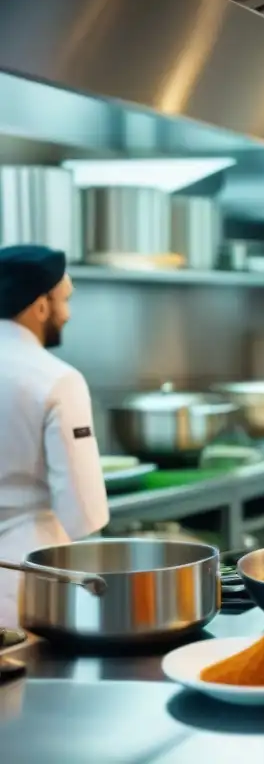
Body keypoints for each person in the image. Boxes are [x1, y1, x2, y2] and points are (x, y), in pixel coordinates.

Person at [0, 245, 109, 628]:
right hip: (26, 577)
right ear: (40, 305)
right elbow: (83, 512)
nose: (68, 313)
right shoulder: (56, 379)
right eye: (65, 300)